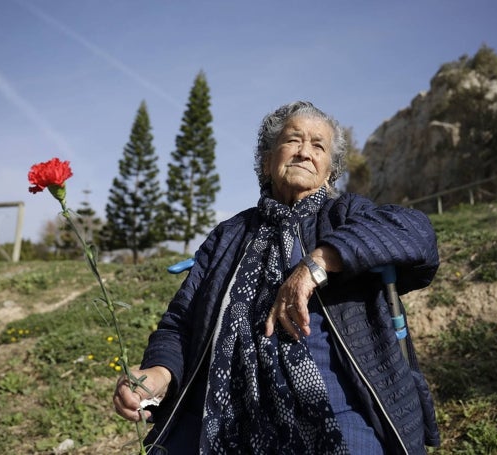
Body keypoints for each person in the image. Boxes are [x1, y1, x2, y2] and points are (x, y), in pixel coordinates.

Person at [113, 101, 441, 454]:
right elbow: (180, 324)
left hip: (337, 411)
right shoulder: (229, 235)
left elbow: (417, 232)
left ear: (330, 171)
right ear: (267, 161)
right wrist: (160, 373)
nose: (304, 152)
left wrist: (316, 263)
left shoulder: (346, 215)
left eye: (318, 146)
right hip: (219, 415)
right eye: (293, 140)